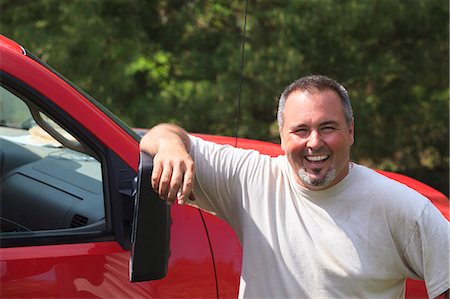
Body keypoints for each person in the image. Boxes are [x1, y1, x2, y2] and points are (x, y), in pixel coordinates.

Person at [140, 75, 449, 298]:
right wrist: (172, 148)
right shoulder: (250, 177)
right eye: (300, 130)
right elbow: (156, 135)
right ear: (282, 137)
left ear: (351, 131)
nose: (314, 142)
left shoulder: (400, 206)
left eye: (328, 127)